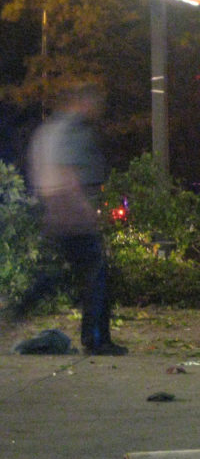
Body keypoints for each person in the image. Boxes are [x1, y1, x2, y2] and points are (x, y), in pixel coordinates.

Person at [23, 82, 127, 355]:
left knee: (57, 276)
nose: (96, 109)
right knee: (96, 275)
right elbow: (66, 172)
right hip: (72, 212)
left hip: (56, 212)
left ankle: (17, 310)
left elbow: (42, 171)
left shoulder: (49, 129)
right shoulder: (72, 130)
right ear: (80, 102)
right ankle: (97, 339)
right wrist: (83, 210)